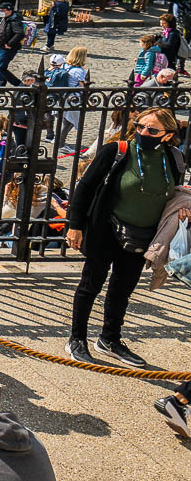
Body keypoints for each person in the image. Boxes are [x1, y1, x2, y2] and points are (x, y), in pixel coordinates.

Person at [64, 107, 190, 367]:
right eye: (140, 126)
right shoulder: (117, 151)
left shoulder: (174, 158)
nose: (143, 132)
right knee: (91, 285)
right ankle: (77, 338)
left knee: (122, 290)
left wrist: (183, 205)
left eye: (152, 130)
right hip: (106, 229)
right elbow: (85, 187)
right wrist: (75, 226)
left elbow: (173, 190)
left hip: (142, 234)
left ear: (167, 135)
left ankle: (110, 338)